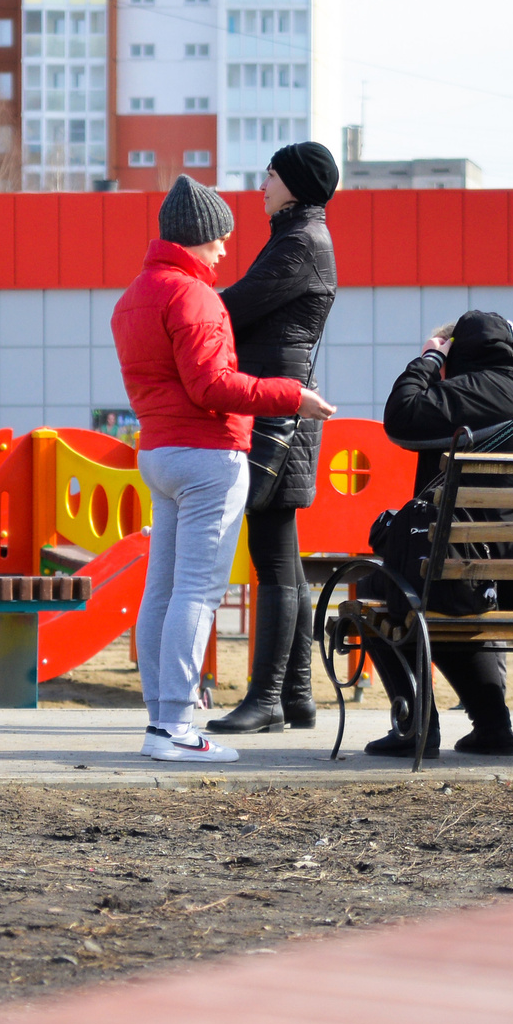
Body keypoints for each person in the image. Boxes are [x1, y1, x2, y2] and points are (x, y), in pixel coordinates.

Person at [112, 175, 333, 764]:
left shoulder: (134, 295)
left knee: (161, 590)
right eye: (220, 240)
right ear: (201, 237)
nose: (225, 252)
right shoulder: (194, 295)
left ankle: (161, 719)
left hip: (159, 452)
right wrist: (293, 395)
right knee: (197, 591)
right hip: (210, 454)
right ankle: (179, 727)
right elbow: (212, 386)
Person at [371, 311, 513, 758]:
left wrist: (427, 360)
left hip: (478, 570)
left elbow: (400, 416)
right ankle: (493, 729)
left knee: (384, 590)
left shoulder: (477, 389)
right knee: (449, 590)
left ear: (457, 352)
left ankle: (414, 727)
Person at [208, 141, 339, 735]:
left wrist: (187, 305)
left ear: (293, 183)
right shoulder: (297, 237)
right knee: (280, 557)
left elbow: (234, 305)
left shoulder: (300, 244)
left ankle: (266, 699)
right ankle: (296, 695)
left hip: (279, 412)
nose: (262, 183)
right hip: (283, 402)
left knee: (276, 563)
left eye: (271, 174)